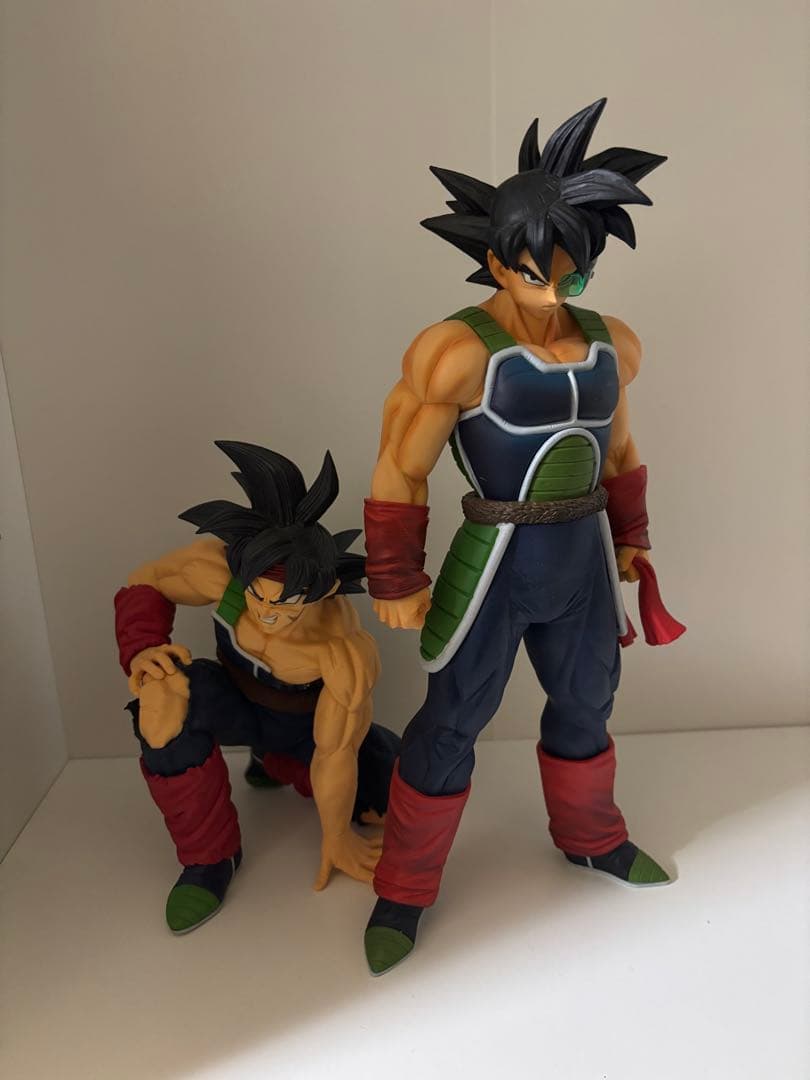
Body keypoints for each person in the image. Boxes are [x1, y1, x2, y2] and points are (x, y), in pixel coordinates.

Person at [361, 99, 685, 974]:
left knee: (587, 701)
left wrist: (634, 537)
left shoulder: (614, 345)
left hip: (582, 560)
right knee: (453, 719)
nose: (560, 290)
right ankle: (405, 887)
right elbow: (400, 465)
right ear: (500, 262)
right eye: (543, 273)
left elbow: (619, 450)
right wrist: (394, 576)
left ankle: (591, 836)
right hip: (495, 563)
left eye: (578, 274)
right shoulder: (455, 352)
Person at [114, 442, 399, 934]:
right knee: (160, 700)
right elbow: (148, 580)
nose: (266, 613)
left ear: (323, 591)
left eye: (285, 605)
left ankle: (274, 763)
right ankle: (209, 860)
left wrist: (338, 837)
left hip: (302, 734)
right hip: (234, 701)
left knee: (389, 797)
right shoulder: (223, 574)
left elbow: (334, 752)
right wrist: (143, 647)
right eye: (258, 596)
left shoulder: (341, 649)